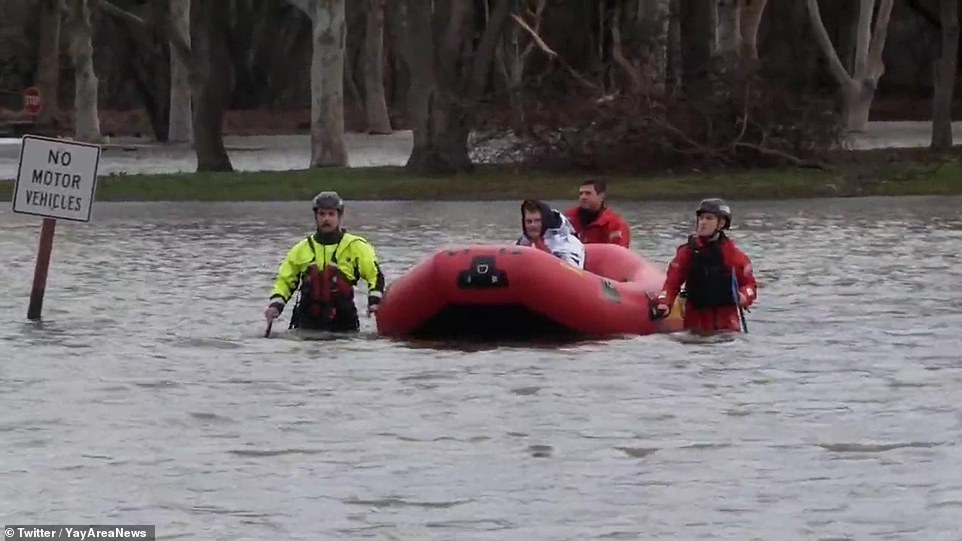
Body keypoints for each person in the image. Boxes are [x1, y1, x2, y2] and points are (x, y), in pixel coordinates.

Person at [264, 191, 385, 332]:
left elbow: (374, 275)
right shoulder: (301, 249)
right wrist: (275, 306)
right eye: (322, 214)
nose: (326, 219)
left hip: (344, 324)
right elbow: (284, 281)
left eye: (331, 214)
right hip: (306, 324)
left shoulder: (356, 246)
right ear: (316, 216)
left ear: (340, 216)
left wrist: (374, 302)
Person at [651, 198, 757, 334]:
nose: (702, 223)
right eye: (701, 218)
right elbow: (672, 284)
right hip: (696, 327)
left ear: (721, 223)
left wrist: (743, 297)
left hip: (728, 329)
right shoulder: (687, 253)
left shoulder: (734, 256)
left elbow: (750, 285)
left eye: (709, 218)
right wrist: (664, 303)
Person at [516, 199, 586, 269]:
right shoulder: (521, 243)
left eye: (537, 221)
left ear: (545, 221)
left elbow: (572, 272)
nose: (533, 225)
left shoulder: (567, 243)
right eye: (529, 221)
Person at [564, 179, 631, 248]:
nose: (583, 197)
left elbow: (619, 252)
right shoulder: (568, 218)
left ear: (601, 197)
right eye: (581, 194)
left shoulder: (615, 223)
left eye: (588, 193)